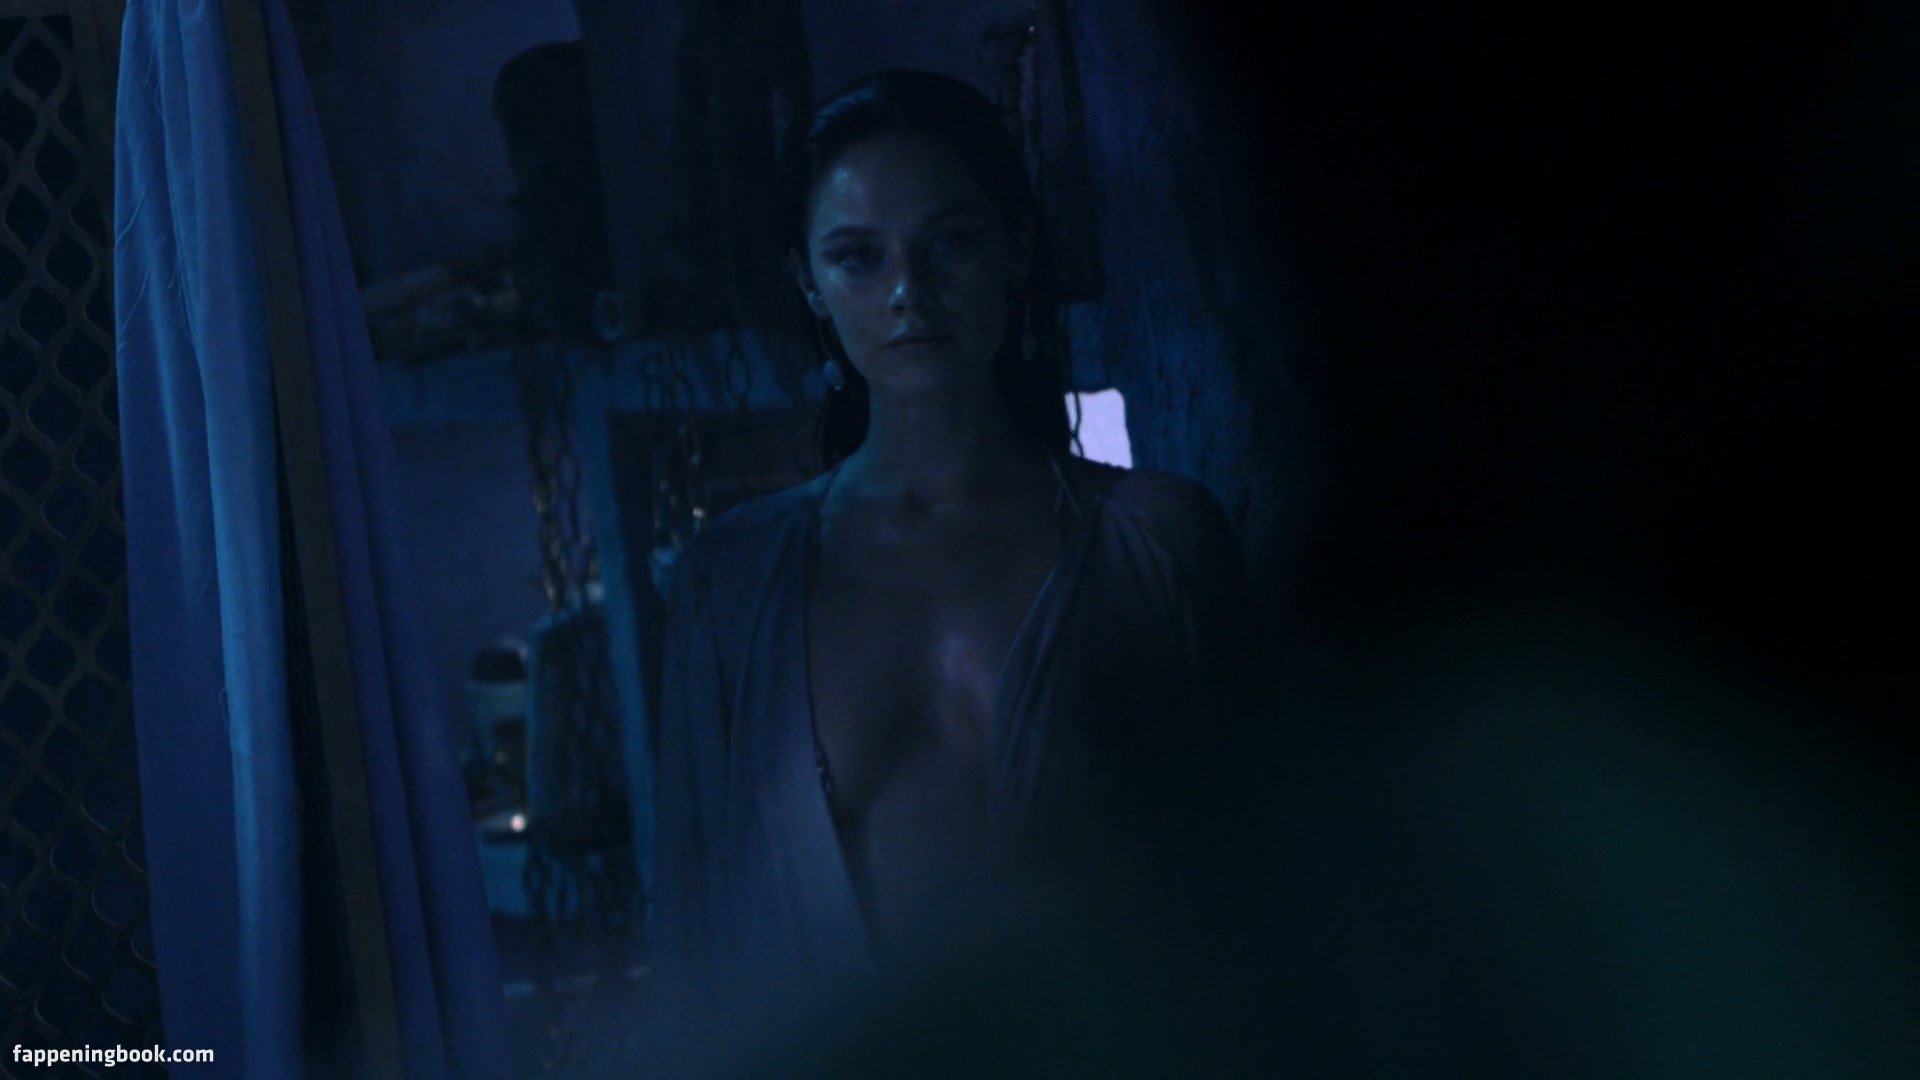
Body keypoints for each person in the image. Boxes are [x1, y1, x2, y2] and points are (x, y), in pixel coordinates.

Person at [646, 68, 1255, 1066]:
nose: (907, 293)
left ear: (1016, 249)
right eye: (858, 256)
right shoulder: (733, 582)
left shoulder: (1157, 539)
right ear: (808, 282)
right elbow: (696, 945)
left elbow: (1261, 883)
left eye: (949, 243)